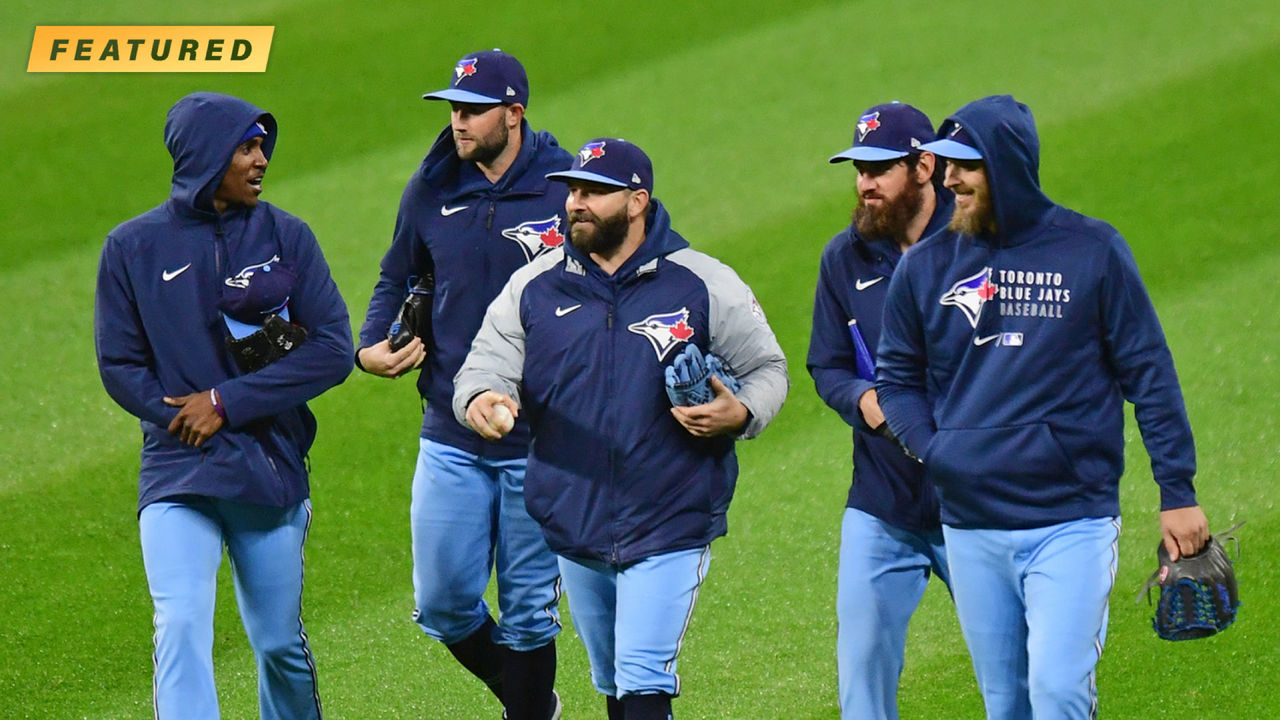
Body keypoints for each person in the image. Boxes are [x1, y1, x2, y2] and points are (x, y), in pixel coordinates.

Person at [875, 94, 1211, 719]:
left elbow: (1150, 375)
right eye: (944, 165)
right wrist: (937, 449)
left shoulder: (1092, 251)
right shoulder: (924, 267)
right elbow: (896, 378)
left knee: (1057, 690)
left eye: (963, 166)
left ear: (1006, 167)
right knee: (1007, 705)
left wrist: (1178, 489)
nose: (948, 179)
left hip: (1070, 519)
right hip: (972, 523)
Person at [453, 139, 789, 720]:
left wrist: (741, 412)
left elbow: (767, 369)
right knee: (613, 679)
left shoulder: (702, 283)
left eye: (593, 193)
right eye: (573, 191)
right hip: (573, 515)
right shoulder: (534, 286)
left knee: (641, 678)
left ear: (637, 201)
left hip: (669, 513)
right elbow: (486, 362)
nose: (575, 204)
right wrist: (482, 398)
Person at [93, 91, 353, 720]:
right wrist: (177, 415)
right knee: (179, 623)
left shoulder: (287, 235)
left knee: (278, 643)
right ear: (207, 156)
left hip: (268, 466)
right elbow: (120, 365)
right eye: (246, 147)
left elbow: (333, 348)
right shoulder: (132, 247)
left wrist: (225, 402)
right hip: (178, 470)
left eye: (262, 145)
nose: (261, 159)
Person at [355, 49, 572, 720]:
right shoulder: (432, 188)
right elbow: (398, 273)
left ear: (515, 113)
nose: (459, 121)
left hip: (542, 439)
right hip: (450, 431)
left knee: (531, 611)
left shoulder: (565, 191)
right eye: (453, 108)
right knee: (444, 604)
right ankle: (534, 702)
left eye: (474, 110)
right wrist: (369, 346)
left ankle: (528, 711)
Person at [807, 102, 954, 720]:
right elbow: (827, 364)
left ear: (924, 167)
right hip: (883, 500)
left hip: (970, 501)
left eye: (879, 169)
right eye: (858, 170)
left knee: (1019, 670)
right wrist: (860, 399)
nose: (864, 184)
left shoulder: (975, 245)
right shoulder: (845, 258)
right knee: (861, 673)